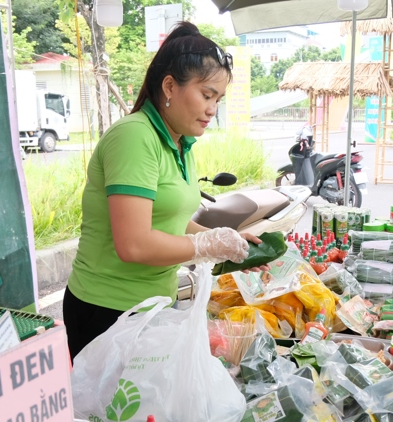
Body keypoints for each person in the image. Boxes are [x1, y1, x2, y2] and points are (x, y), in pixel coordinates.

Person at [63, 22, 254, 358]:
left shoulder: (181, 143)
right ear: (169, 86)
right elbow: (134, 244)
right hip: (108, 311)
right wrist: (204, 245)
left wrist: (222, 240)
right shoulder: (135, 137)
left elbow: (169, 222)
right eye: (206, 95)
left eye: (218, 99)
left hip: (152, 305)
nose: (213, 109)